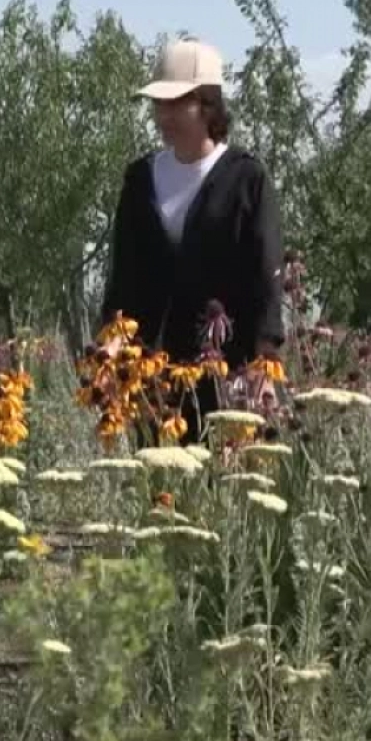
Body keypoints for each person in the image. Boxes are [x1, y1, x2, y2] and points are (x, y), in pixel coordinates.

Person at [99, 36, 286, 441]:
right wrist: (109, 355)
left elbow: (266, 282)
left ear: (206, 104)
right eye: (158, 104)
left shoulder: (246, 180)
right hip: (153, 383)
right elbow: (124, 280)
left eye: (175, 103)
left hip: (226, 379)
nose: (163, 114)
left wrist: (263, 366)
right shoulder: (139, 180)